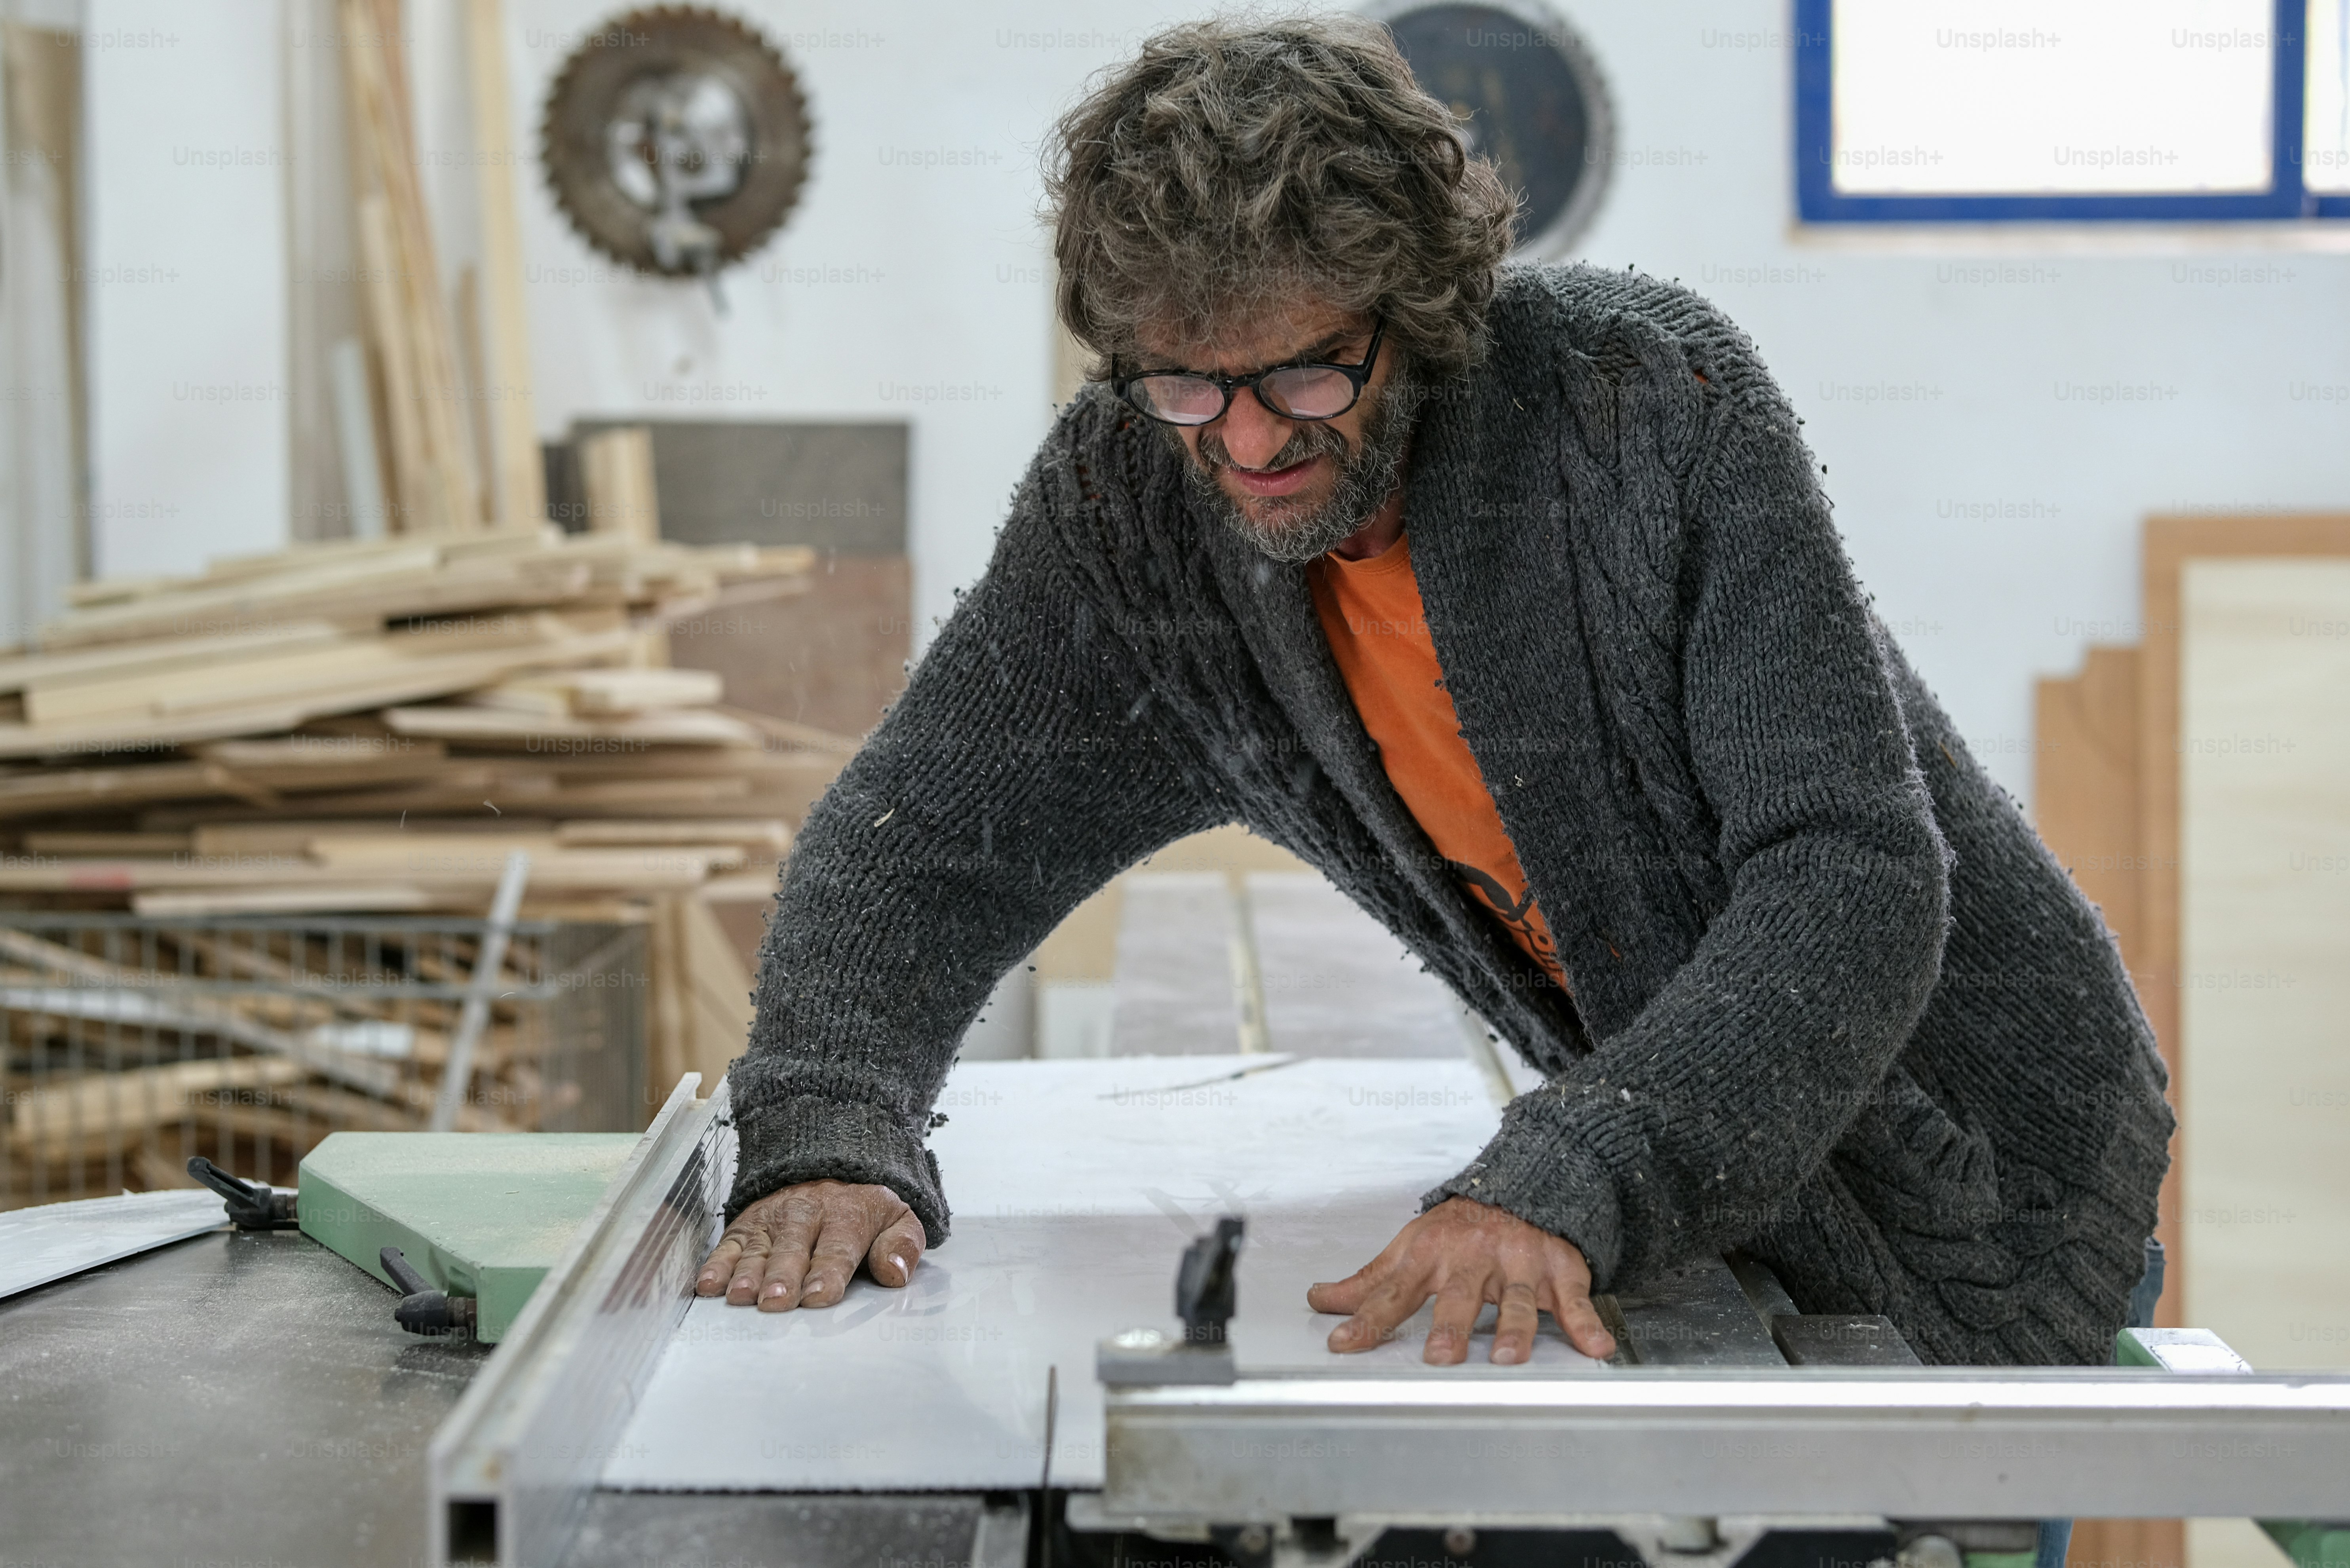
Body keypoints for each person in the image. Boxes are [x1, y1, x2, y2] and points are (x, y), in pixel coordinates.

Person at [693, 14, 2171, 1377]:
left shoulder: (1649, 410)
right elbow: (920, 840)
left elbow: (1848, 874)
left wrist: (1569, 1170)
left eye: (1308, 374)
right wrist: (835, 1117)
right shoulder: (1138, 495)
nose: (1249, 441)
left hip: (1991, 1157)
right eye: (1188, 382)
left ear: (1422, 308)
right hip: (1723, 1179)